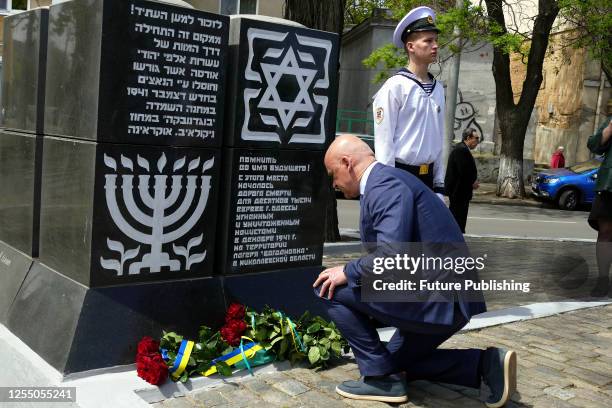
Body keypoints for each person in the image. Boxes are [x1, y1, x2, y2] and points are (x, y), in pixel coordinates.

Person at [314, 134, 517, 406]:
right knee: (390, 363)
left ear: (347, 162)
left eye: (333, 173)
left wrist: (348, 272)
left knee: (327, 287)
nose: (334, 183)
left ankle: (381, 380)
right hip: (447, 296)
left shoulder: (382, 186)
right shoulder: (389, 180)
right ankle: (485, 364)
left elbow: (392, 256)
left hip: (439, 298)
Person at [372, 6, 445, 199]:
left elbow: (439, 139)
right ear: (410, 46)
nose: (435, 45)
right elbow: (384, 140)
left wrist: (439, 184)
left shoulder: (437, 89)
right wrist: (387, 185)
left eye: (436, 40)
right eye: (428, 41)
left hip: (427, 179)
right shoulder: (395, 86)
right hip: (400, 177)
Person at [587, 117, 612, 297]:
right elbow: (594, 145)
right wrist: (610, 127)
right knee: (605, 233)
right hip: (609, 185)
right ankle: (603, 279)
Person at [445, 128, 480, 233]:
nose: (478, 141)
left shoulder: (462, 148)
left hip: (460, 192)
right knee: (457, 220)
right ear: (468, 138)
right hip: (459, 192)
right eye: (476, 138)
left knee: (457, 219)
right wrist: (472, 182)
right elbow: (463, 171)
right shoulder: (461, 150)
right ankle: (455, 241)